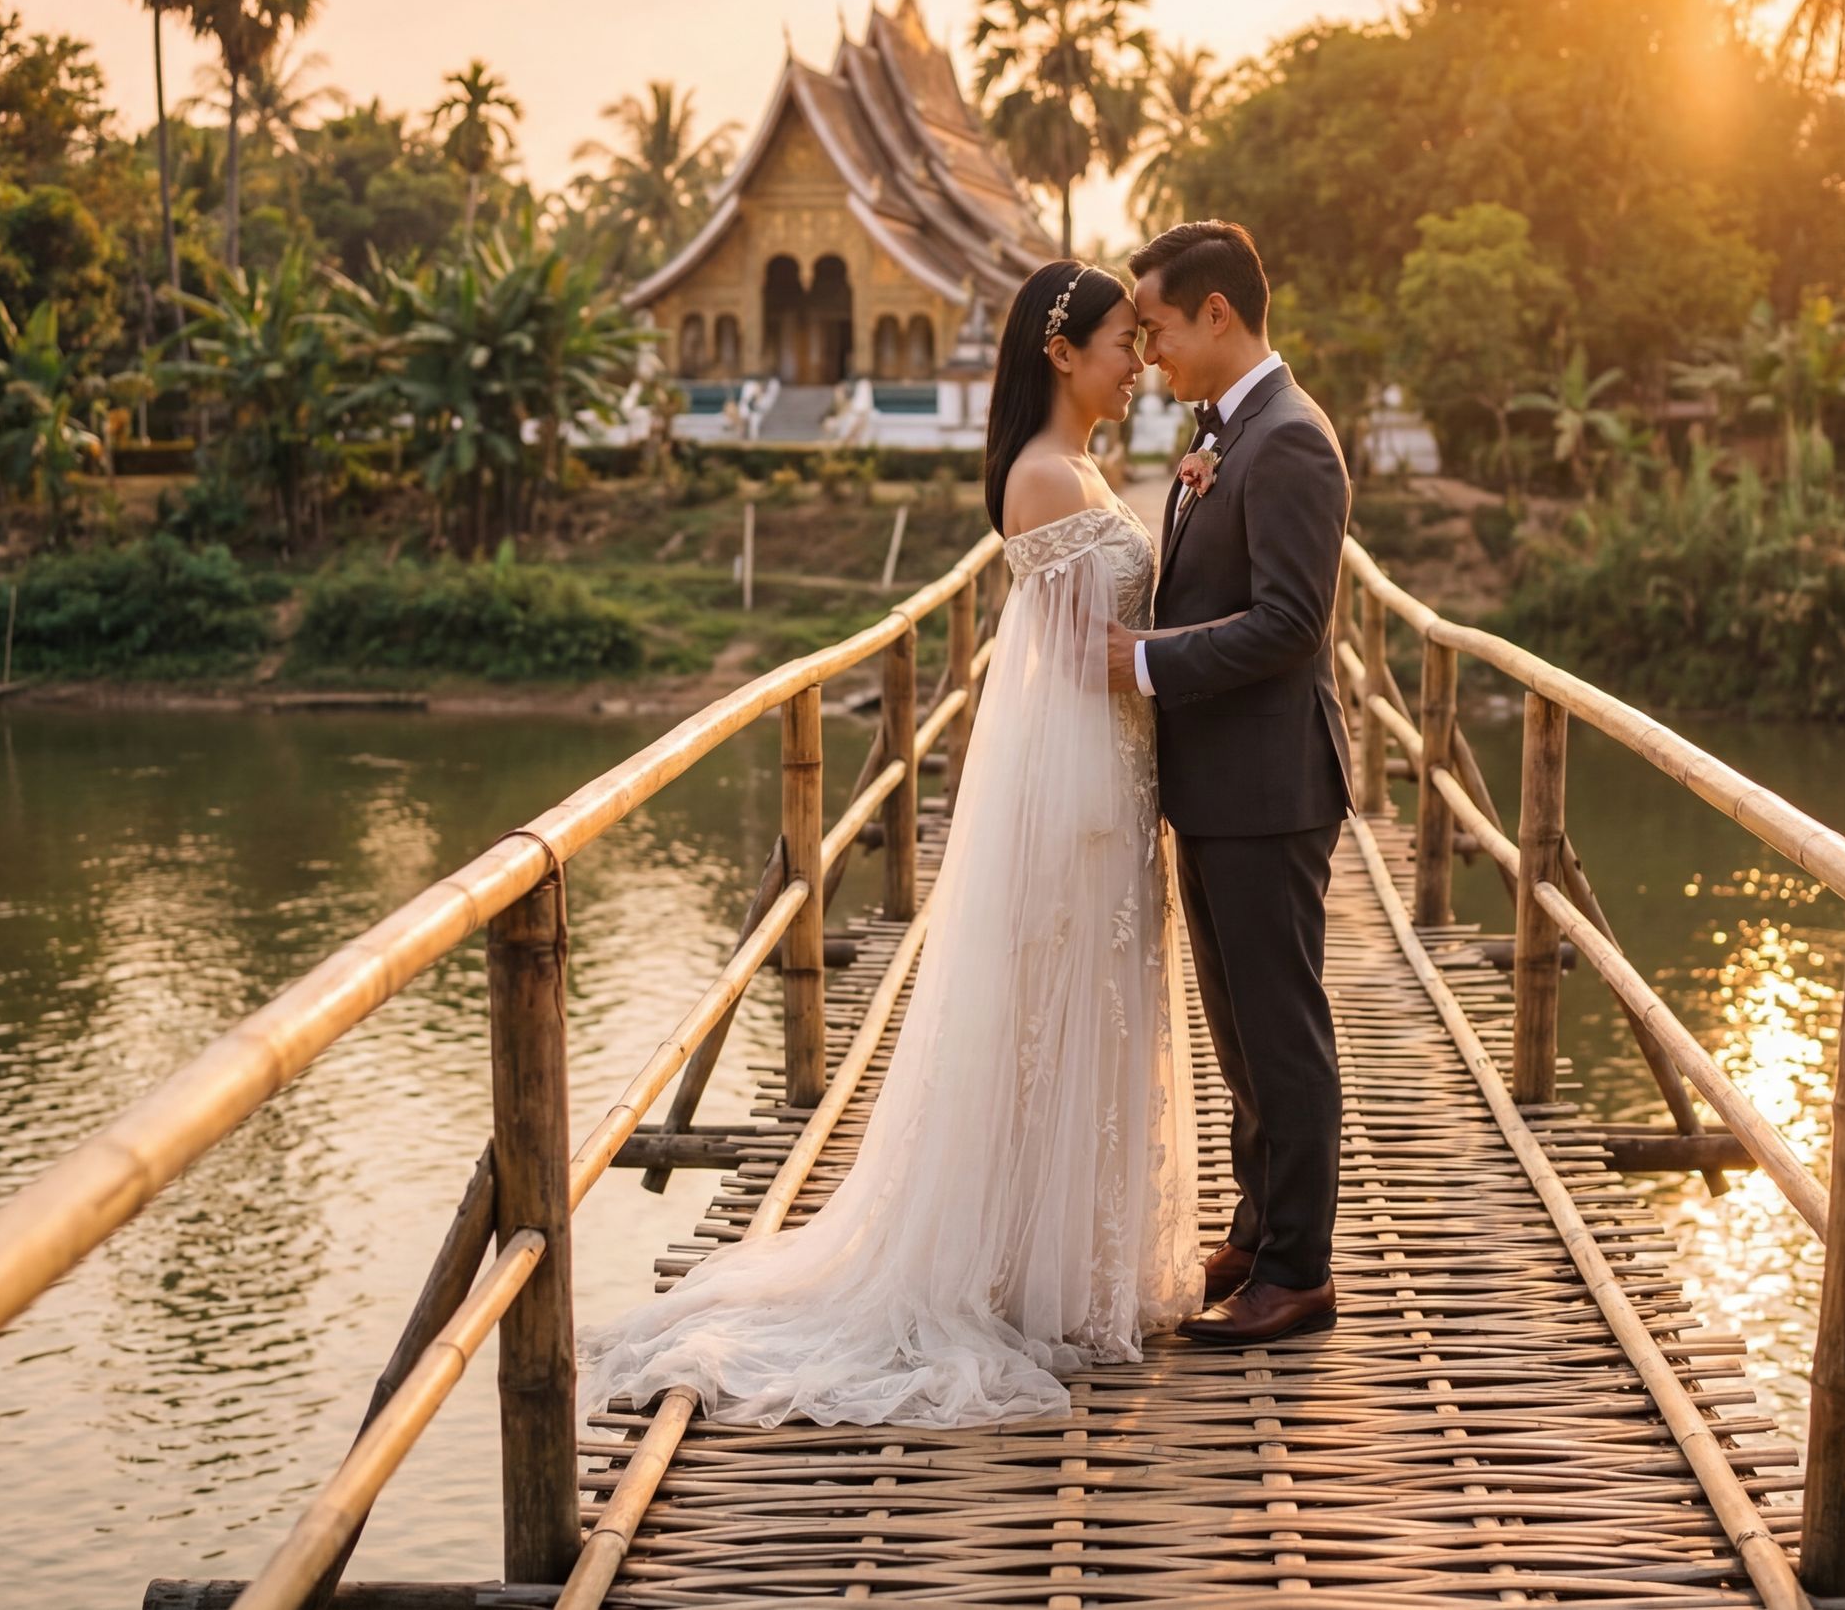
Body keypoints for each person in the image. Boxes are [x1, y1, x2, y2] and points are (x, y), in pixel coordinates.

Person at [579, 259, 1200, 1428]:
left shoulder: (1077, 470)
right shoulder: (1047, 478)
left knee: (1079, 1013)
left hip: (1104, 769)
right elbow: (1086, 660)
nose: (1139, 360)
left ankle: (1057, 1263)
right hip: (1078, 786)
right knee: (1056, 1011)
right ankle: (1028, 1274)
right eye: (1124, 339)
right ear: (1061, 353)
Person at [1108, 219, 1356, 1346]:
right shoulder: (1229, 431)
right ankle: (1259, 1230)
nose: (1149, 350)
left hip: (1269, 786)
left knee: (1282, 1029)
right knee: (1240, 1032)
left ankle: (1300, 1270)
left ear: (1217, 313)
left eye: (1155, 326)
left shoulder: (1291, 439)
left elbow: (1293, 624)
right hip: (1219, 786)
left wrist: (1144, 662)